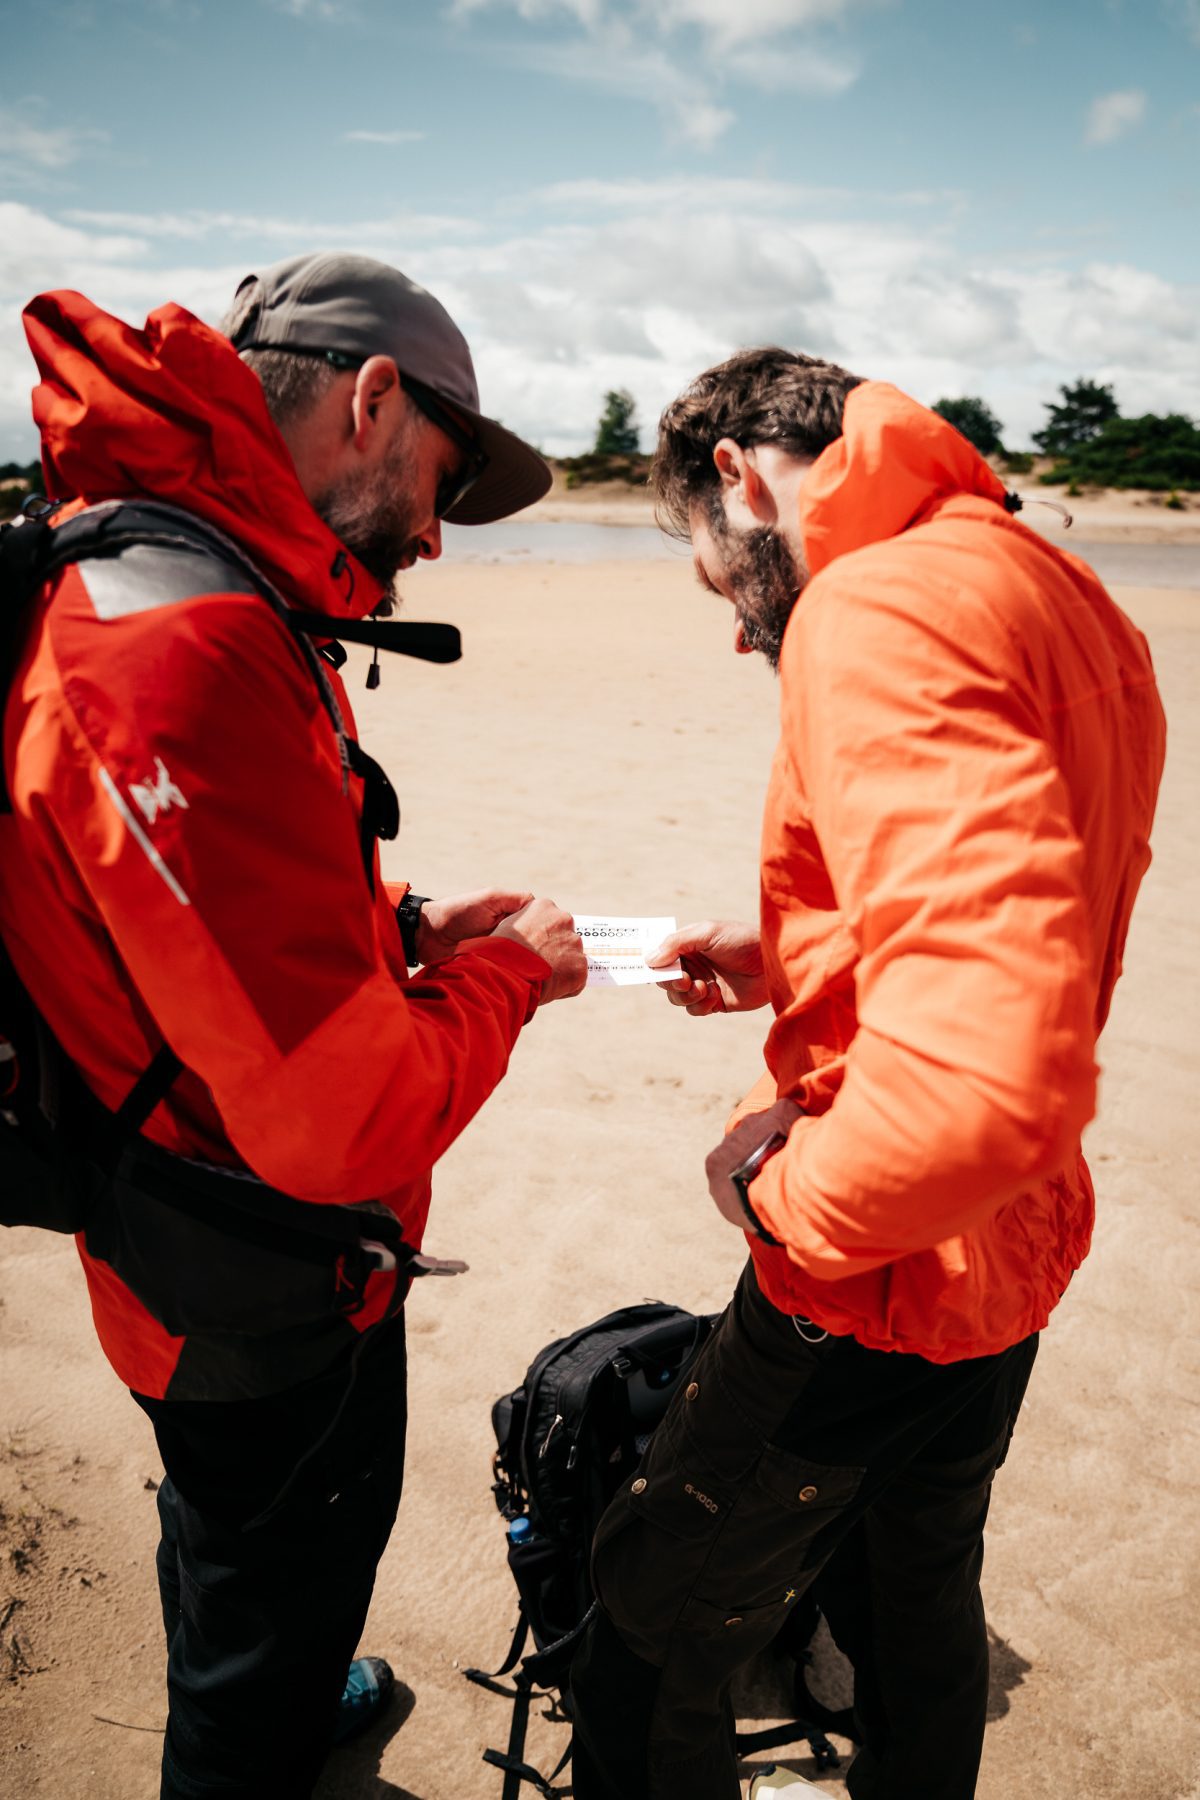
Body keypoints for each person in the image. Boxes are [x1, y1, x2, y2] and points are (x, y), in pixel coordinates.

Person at [0, 253, 587, 1798]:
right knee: (270, 1581)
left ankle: (280, 1676)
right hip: (251, 1278)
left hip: (180, 1229)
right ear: (371, 398)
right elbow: (341, 1123)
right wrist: (509, 970)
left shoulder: (164, 568)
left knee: (231, 1546)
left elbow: (156, 923)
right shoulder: (181, 643)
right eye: (443, 482)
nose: (439, 539)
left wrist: (395, 937)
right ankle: (261, 1720)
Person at [569, 349, 1166, 1800]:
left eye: (718, 581)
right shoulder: (1043, 579)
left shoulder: (872, 604)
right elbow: (1030, 897)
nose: (732, 629)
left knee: (642, 1630)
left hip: (880, 1271)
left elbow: (985, 1069)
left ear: (737, 479)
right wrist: (784, 949)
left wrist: (790, 1200)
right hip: (1018, 1248)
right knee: (914, 1599)